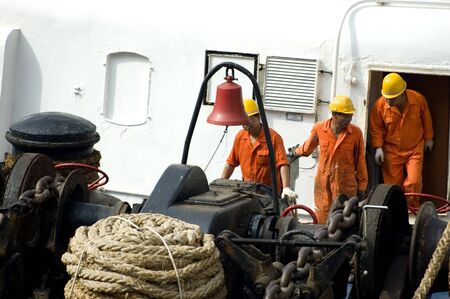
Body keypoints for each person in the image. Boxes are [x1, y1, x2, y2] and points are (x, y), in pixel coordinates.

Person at [292, 96, 368, 224]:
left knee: (346, 220)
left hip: (346, 185)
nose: (349, 119)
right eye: (346, 116)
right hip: (324, 185)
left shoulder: (356, 133)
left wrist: (362, 187)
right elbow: (307, 148)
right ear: (335, 115)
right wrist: (295, 152)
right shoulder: (319, 129)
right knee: (323, 217)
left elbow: (360, 161)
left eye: (350, 115)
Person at [370, 72, 433, 208]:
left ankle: (412, 208)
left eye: (391, 98)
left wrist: (429, 138)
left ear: (402, 93)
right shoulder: (380, 106)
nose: (388, 101)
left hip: (414, 147)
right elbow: (376, 127)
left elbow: (426, 119)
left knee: (414, 182)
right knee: (393, 186)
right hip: (391, 150)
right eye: (386, 97)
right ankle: (395, 210)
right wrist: (378, 147)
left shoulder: (418, 100)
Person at [221, 98, 298, 203]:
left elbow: (283, 164)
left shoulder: (273, 138)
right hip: (247, 190)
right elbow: (230, 163)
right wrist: (221, 183)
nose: (246, 124)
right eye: (243, 121)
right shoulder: (240, 137)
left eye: (249, 120)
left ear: (258, 117)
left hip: (269, 192)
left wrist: (286, 187)